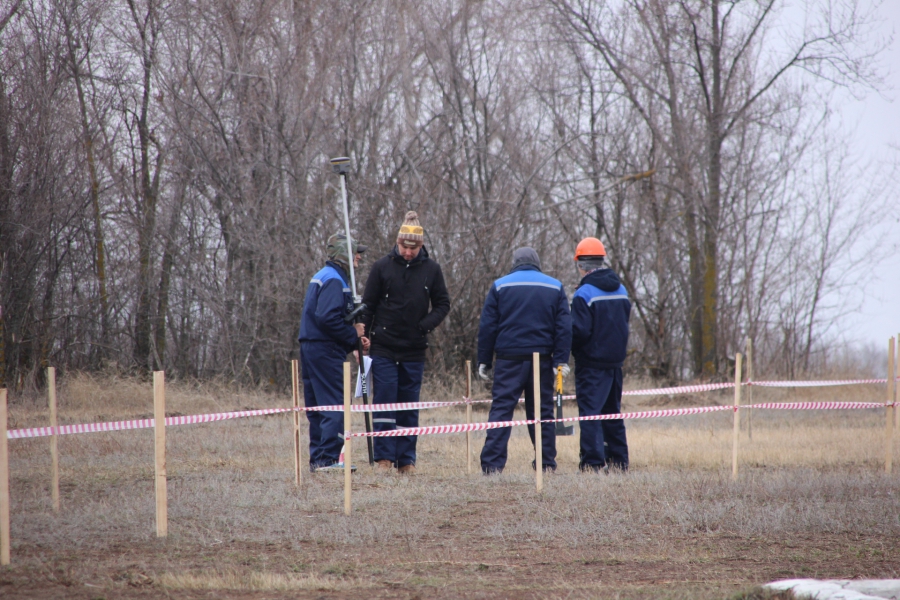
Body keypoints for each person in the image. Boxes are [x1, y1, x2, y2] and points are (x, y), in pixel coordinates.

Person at [361, 211, 450, 474]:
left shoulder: (432, 270)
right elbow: (368, 305)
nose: (408, 253)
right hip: (383, 347)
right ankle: (384, 458)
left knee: (409, 406)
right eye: (404, 247)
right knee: (385, 402)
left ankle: (406, 460)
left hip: (414, 350)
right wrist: (362, 336)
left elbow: (443, 304)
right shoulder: (381, 267)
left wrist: (424, 326)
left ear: (421, 246)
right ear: (397, 243)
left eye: (413, 248)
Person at [477, 247, 572, 474]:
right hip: (542, 360)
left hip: (508, 359)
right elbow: (564, 327)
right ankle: (546, 464)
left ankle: (492, 466)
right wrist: (560, 361)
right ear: (537, 263)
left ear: (515, 263)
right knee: (542, 412)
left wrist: (485, 360)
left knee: (501, 411)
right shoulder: (555, 286)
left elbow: (488, 326)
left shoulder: (500, 285)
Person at [298, 233, 369, 472]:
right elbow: (328, 319)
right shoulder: (335, 280)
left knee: (318, 407)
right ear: (344, 254)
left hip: (312, 347)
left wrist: (353, 342)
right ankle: (328, 460)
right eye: (356, 252)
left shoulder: (323, 275)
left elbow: (324, 319)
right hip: (325, 350)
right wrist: (353, 333)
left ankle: (319, 460)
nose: (359, 257)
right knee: (335, 404)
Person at [570, 237, 631, 472]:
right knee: (612, 413)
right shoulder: (621, 289)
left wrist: (570, 349)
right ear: (602, 260)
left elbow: (579, 332)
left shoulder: (584, 293)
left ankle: (592, 464)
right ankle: (619, 462)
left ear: (580, 264)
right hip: (615, 363)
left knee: (590, 415)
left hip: (591, 365)